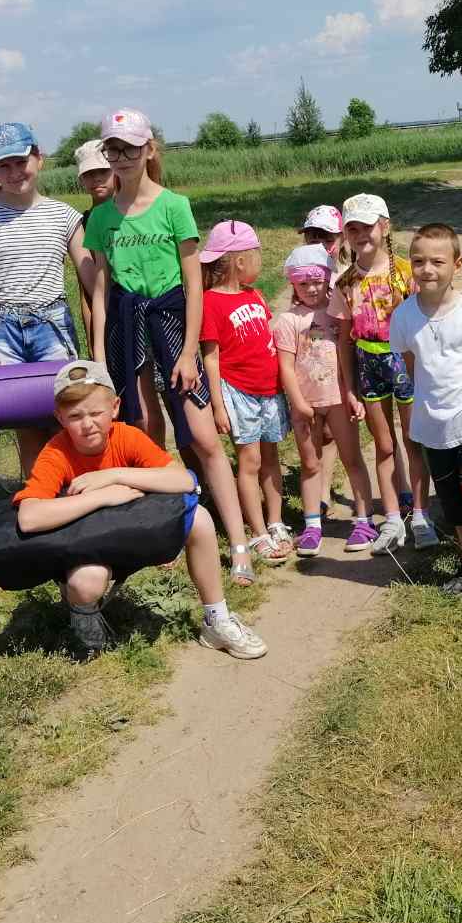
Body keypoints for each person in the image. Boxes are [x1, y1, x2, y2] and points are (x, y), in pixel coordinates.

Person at [84, 108, 252, 584]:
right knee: (145, 431)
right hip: (126, 323)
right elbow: (101, 287)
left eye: (130, 148)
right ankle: (161, 535)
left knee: (201, 436)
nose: (121, 157)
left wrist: (186, 352)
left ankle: (238, 542)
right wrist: (98, 354)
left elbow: (194, 282)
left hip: (173, 321)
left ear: (149, 149)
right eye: (113, 149)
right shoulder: (100, 217)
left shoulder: (175, 205)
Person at [14, 360, 266, 659]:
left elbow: (184, 479)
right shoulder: (56, 452)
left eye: (96, 413)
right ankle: (83, 614)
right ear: (59, 417)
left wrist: (114, 475)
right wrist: (104, 496)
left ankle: (217, 619)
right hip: (88, 546)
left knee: (198, 518)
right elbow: (29, 518)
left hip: (130, 534)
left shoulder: (127, 436)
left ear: (115, 407)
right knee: (86, 583)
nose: (87, 424)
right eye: (75, 416)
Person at [0, 123, 85, 477]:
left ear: (39, 159)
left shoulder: (65, 216)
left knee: (67, 410)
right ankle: (38, 494)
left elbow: (91, 280)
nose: (14, 173)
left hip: (52, 324)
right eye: (4, 166)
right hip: (1, 328)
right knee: (25, 421)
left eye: (21, 162)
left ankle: (73, 492)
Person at [390, 224, 462, 598]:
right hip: (432, 426)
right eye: (419, 261)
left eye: (437, 261)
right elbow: (410, 363)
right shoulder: (404, 316)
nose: (427, 269)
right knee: (453, 503)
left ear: (457, 264)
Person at [331, 193, 430, 553]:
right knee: (384, 445)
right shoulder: (344, 283)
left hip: (404, 363)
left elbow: (424, 324)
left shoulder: (407, 272)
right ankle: (391, 518)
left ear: (384, 226)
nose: (360, 235)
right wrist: (349, 387)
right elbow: (344, 340)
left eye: (367, 226)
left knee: (413, 440)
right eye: (352, 228)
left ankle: (420, 514)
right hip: (368, 367)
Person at [199, 219, 294, 572]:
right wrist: (219, 405)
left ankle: (275, 521)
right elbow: (211, 356)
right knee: (250, 461)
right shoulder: (210, 302)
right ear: (239, 260)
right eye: (256, 256)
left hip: (269, 390)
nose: (260, 262)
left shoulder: (254, 295)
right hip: (239, 393)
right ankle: (255, 532)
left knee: (271, 458)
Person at [274, 243, 377, 556]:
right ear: (293, 284)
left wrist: (352, 395)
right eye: (303, 283)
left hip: (337, 400)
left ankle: (364, 520)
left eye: (317, 281)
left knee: (352, 458)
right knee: (309, 464)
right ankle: (312, 526)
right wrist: (298, 403)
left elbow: (349, 357)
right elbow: (285, 368)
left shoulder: (338, 314)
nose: (311, 288)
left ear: (327, 279)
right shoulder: (288, 322)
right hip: (305, 405)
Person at [73, 139, 114, 348]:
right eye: (89, 174)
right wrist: (92, 342)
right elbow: (86, 289)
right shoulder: (84, 223)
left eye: (103, 171)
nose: (96, 179)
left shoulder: (135, 213)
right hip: (104, 314)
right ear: (81, 179)